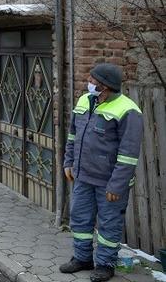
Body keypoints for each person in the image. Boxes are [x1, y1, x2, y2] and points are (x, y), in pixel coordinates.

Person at [60, 63, 143, 282]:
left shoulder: (128, 110)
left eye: (93, 82)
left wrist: (117, 185)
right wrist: (68, 162)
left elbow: (128, 154)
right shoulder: (84, 101)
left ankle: (105, 264)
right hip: (83, 176)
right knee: (80, 219)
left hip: (109, 183)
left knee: (108, 224)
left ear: (105, 87)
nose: (89, 84)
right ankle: (82, 258)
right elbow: (72, 135)